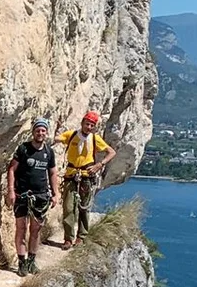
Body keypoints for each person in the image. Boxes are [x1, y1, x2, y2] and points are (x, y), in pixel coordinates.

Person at [58, 110, 116, 245]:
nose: (89, 127)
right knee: (68, 207)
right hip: (71, 175)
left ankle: (81, 236)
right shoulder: (72, 135)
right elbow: (57, 139)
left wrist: (99, 165)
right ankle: (68, 238)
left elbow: (111, 152)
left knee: (84, 208)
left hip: (86, 176)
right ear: (82, 123)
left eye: (91, 125)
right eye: (87, 124)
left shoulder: (95, 139)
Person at [8, 118, 56, 274]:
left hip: (41, 196)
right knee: (21, 228)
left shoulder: (49, 152)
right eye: (37, 130)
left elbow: (53, 172)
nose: (40, 133)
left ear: (46, 133)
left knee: (35, 230)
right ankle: (21, 262)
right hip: (22, 194)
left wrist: (55, 193)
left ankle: (31, 261)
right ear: (33, 132)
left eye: (43, 130)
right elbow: (11, 169)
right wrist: (10, 190)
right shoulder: (23, 149)